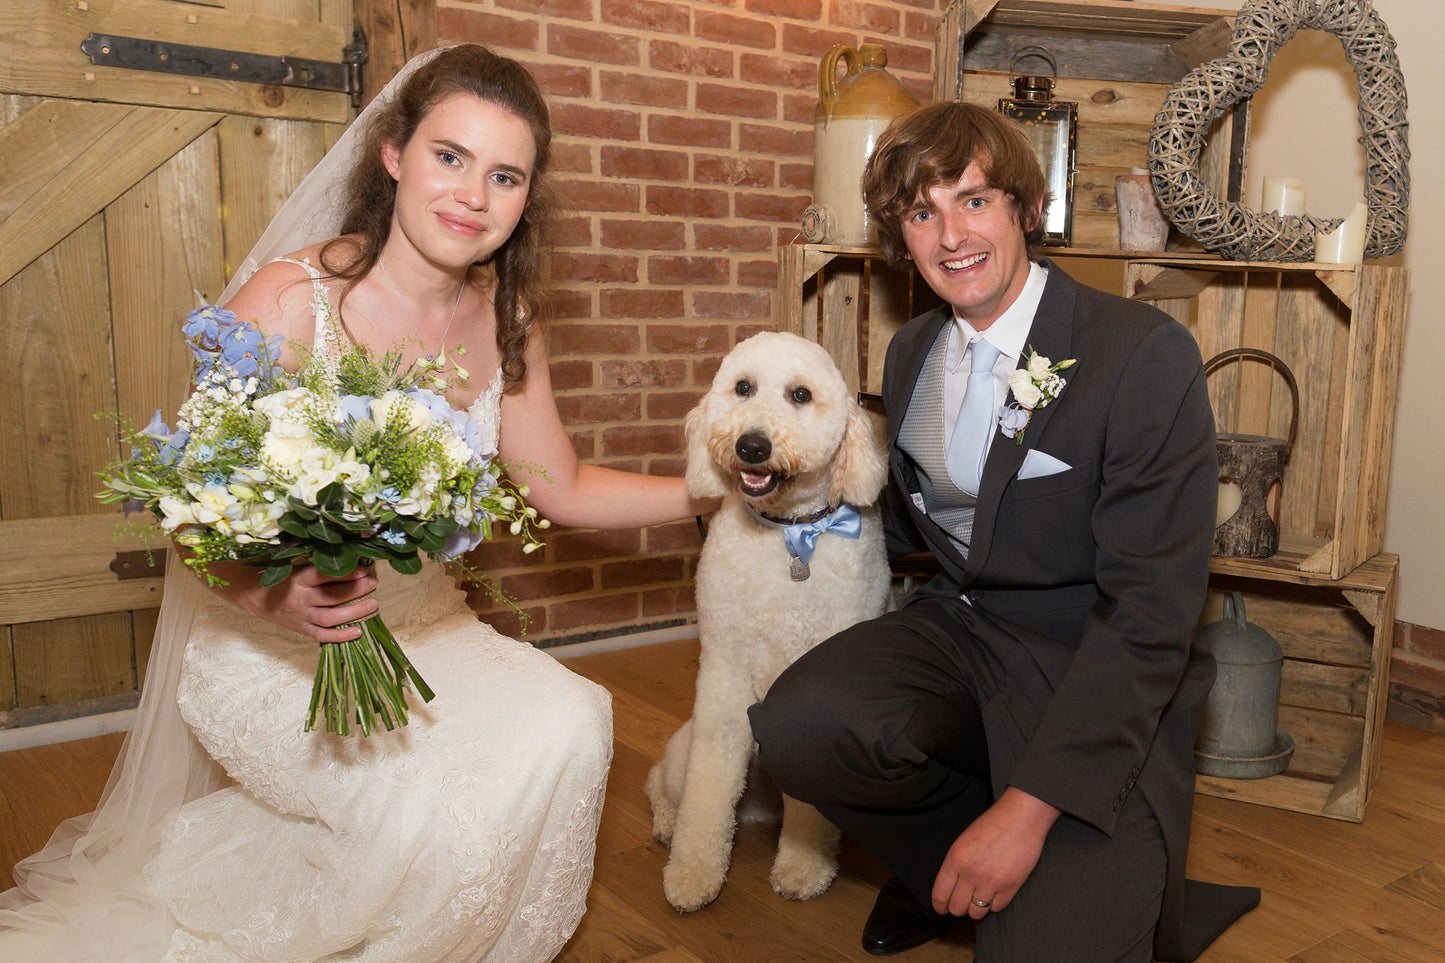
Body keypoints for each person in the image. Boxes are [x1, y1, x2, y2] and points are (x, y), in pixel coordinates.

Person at [0, 44, 708, 962]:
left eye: (504, 176)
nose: (471, 195)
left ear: (526, 197)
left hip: (429, 629)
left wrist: (710, 493)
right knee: (422, 813)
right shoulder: (291, 300)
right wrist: (273, 591)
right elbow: (190, 510)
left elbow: (557, 486)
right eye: (448, 157)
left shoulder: (507, 318)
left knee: (573, 720)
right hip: (269, 650)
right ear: (393, 155)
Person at [748, 102, 1260, 962]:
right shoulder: (911, 351)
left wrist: (1026, 811)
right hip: (967, 632)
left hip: (1096, 662)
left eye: (973, 200)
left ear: (1025, 207)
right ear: (900, 236)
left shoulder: (1140, 353)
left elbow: (1150, 615)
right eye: (921, 212)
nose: (950, 234)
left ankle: (1040, 861)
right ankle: (948, 864)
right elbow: (944, 534)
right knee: (799, 724)